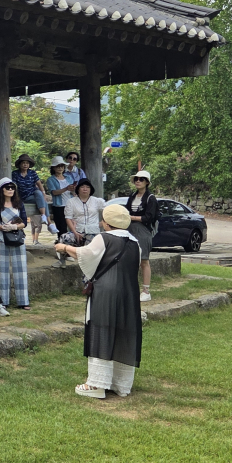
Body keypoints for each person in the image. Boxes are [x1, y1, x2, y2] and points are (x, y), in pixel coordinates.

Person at [55, 203, 142, 399]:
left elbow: (85, 254)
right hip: (129, 291)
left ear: (106, 223)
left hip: (106, 290)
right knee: (122, 331)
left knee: (102, 329)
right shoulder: (135, 242)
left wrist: (65, 247)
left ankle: (97, 384)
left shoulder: (104, 238)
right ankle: (121, 384)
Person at [0, 177, 30, 309]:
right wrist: (2, 227)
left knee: (21, 269)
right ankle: (4, 302)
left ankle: (23, 301)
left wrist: (15, 227)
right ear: (2, 189)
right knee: (2, 271)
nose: (10, 190)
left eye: (12, 187)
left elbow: (24, 221)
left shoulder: (19, 203)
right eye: (8, 187)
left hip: (17, 239)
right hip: (1, 239)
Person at [126, 170, 159, 302]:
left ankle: (146, 290)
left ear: (147, 182)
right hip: (130, 229)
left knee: (144, 260)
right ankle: (131, 289)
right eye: (136, 179)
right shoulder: (132, 196)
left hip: (143, 230)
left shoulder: (151, 198)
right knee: (130, 260)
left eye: (141, 179)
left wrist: (132, 217)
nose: (138, 181)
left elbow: (149, 217)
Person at [13, 154, 50, 244]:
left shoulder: (32, 173)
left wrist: (44, 193)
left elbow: (39, 183)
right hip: (22, 196)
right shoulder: (15, 173)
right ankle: (49, 222)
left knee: (39, 194)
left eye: (27, 163)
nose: (25, 164)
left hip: (32, 195)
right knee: (42, 200)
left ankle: (44, 217)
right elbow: (14, 186)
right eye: (23, 163)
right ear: (20, 164)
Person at [63, 179, 106, 246]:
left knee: (91, 243)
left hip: (93, 231)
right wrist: (74, 232)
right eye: (82, 187)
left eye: (88, 187)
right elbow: (68, 218)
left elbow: (108, 212)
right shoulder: (71, 201)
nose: (85, 189)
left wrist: (103, 223)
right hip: (77, 230)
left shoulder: (98, 201)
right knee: (65, 238)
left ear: (91, 190)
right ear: (78, 189)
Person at [45, 156, 74, 241]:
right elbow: (53, 192)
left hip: (70, 204)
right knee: (61, 228)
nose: (60, 168)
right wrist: (66, 188)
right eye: (58, 166)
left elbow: (72, 191)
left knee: (73, 226)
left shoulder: (68, 177)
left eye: (62, 166)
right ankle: (62, 246)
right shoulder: (51, 179)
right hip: (59, 206)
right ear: (53, 168)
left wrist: (73, 189)